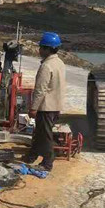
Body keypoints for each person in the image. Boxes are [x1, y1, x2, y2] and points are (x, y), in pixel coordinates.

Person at [25, 32, 66, 173]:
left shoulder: (47, 66)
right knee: (39, 133)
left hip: (46, 107)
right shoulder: (60, 63)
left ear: (48, 49)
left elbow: (40, 90)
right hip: (56, 105)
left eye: (42, 47)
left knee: (45, 136)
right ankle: (31, 156)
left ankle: (47, 163)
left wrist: (33, 108)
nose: (39, 50)